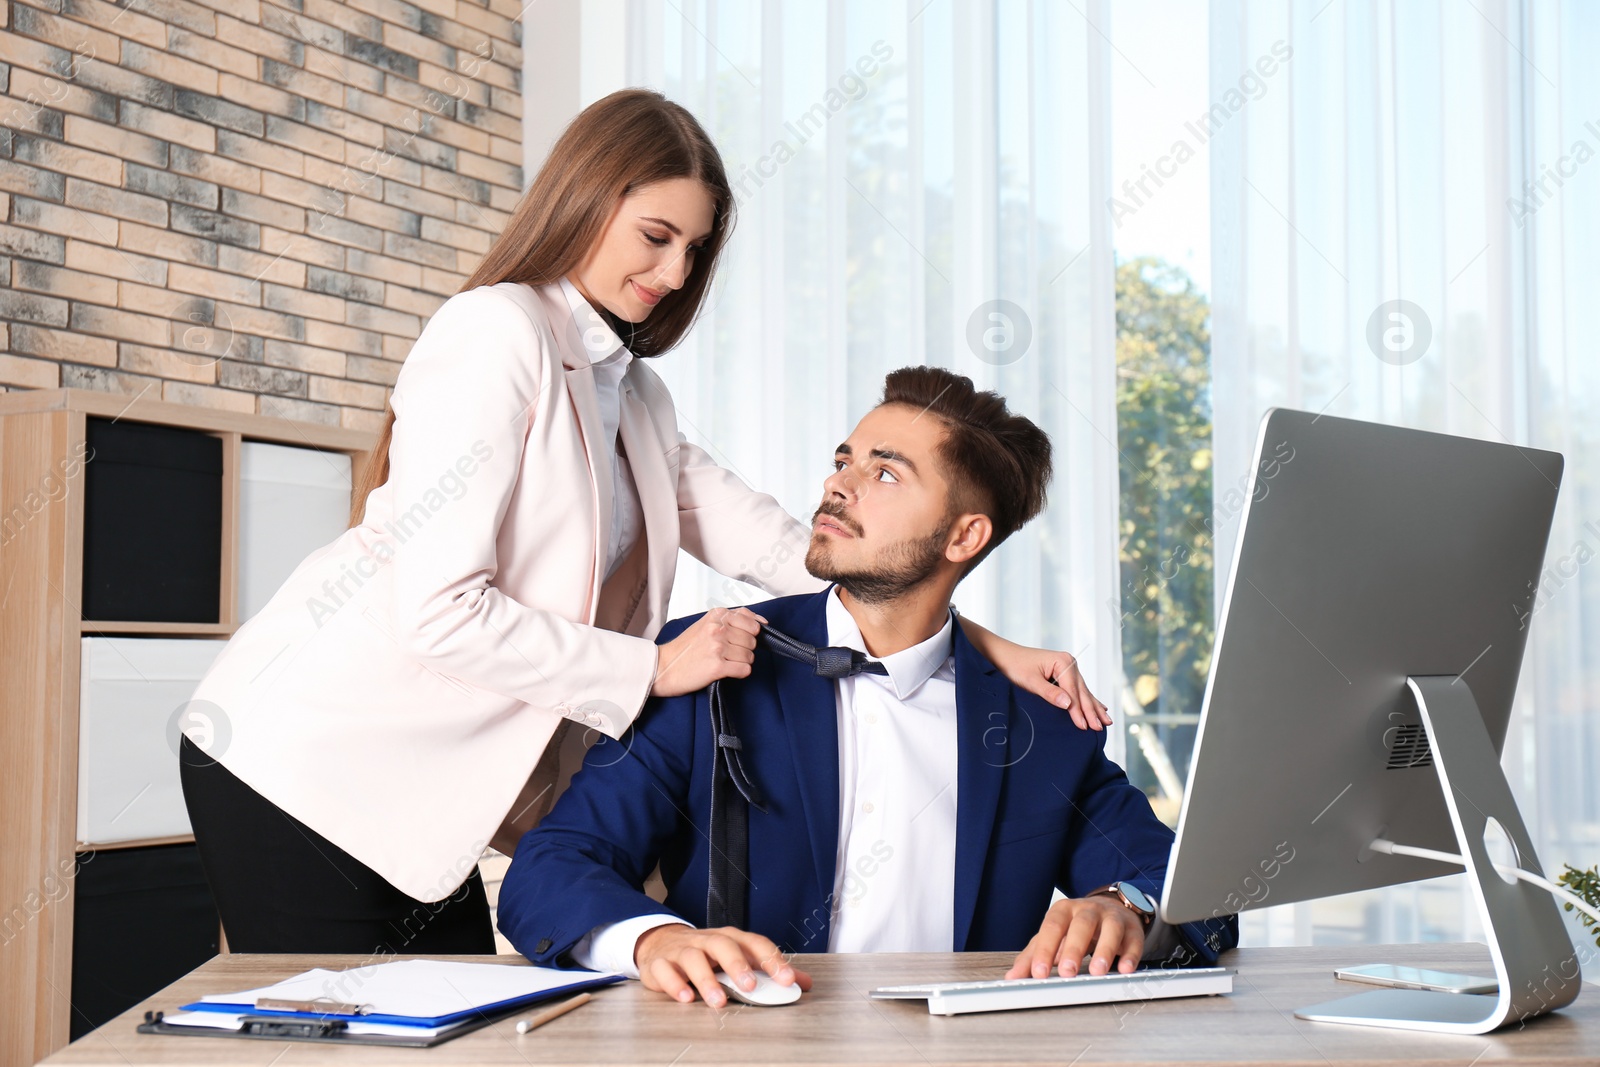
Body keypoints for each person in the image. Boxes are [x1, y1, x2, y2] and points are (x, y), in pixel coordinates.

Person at [178, 90, 1111, 954]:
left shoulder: (637, 396)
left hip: (423, 803)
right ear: (584, 202)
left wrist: (980, 646)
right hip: (311, 764)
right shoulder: (495, 334)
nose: (675, 273)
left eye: (695, 250)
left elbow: (802, 554)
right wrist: (654, 668)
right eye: (656, 236)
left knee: (457, 1034)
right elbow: (437, 611)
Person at [497, 367, 1238, 1006]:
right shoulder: (711, 663)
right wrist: (651, 938)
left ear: (964, 537)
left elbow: (1198, 889)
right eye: (844, 458)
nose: (837, 483)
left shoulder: (1042, 726)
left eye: (885, 473)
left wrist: (1125, 907)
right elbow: (551, 869)